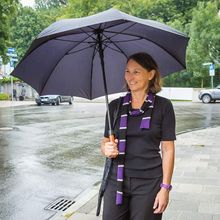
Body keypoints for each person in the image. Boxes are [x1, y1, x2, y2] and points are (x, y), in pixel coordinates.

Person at [100, 52, 176, 220]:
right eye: (127, 71)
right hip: (116, 181)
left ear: (151, 74)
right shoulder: (114, 106)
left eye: (136, 71)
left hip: (149, 183)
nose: (130, 77)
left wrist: (165, 188)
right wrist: (106, 149)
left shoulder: (164, 106)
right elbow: (105, 141)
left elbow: (168, 150)